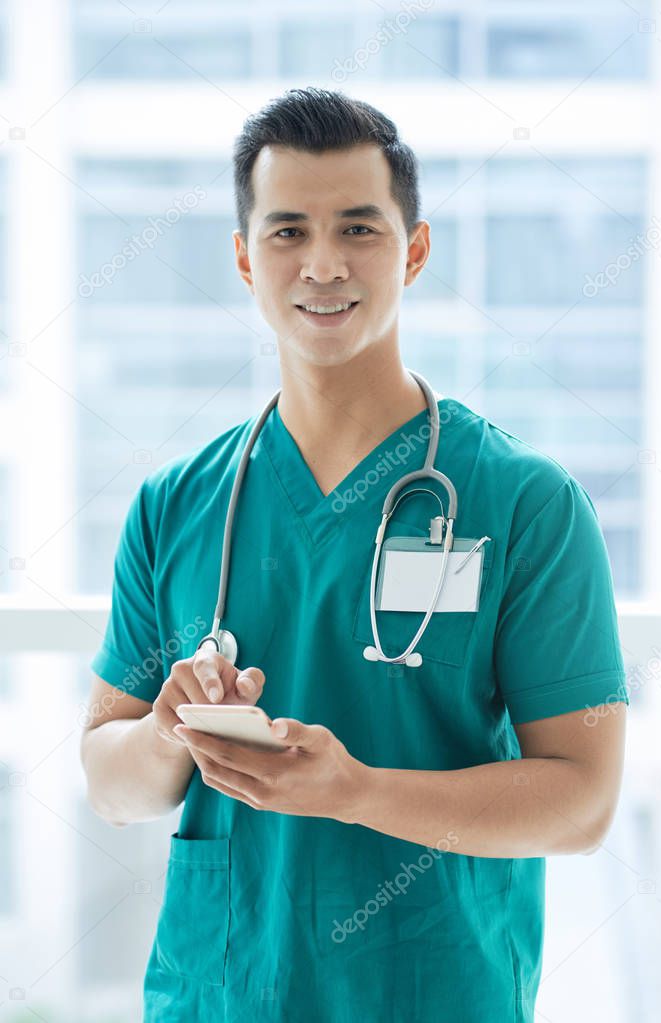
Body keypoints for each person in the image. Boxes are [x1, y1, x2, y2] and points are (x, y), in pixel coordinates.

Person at [80, 86, 629, 1022]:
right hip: (219, 992)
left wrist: (357, 791)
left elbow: (579, 802)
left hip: (434, 991)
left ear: (413, 251)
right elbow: (110, 785)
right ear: (244, 256)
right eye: (287, 230)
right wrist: (168, 729)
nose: (322, 263)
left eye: (359, 229)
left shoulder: (524, 503)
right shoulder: (176, 505)